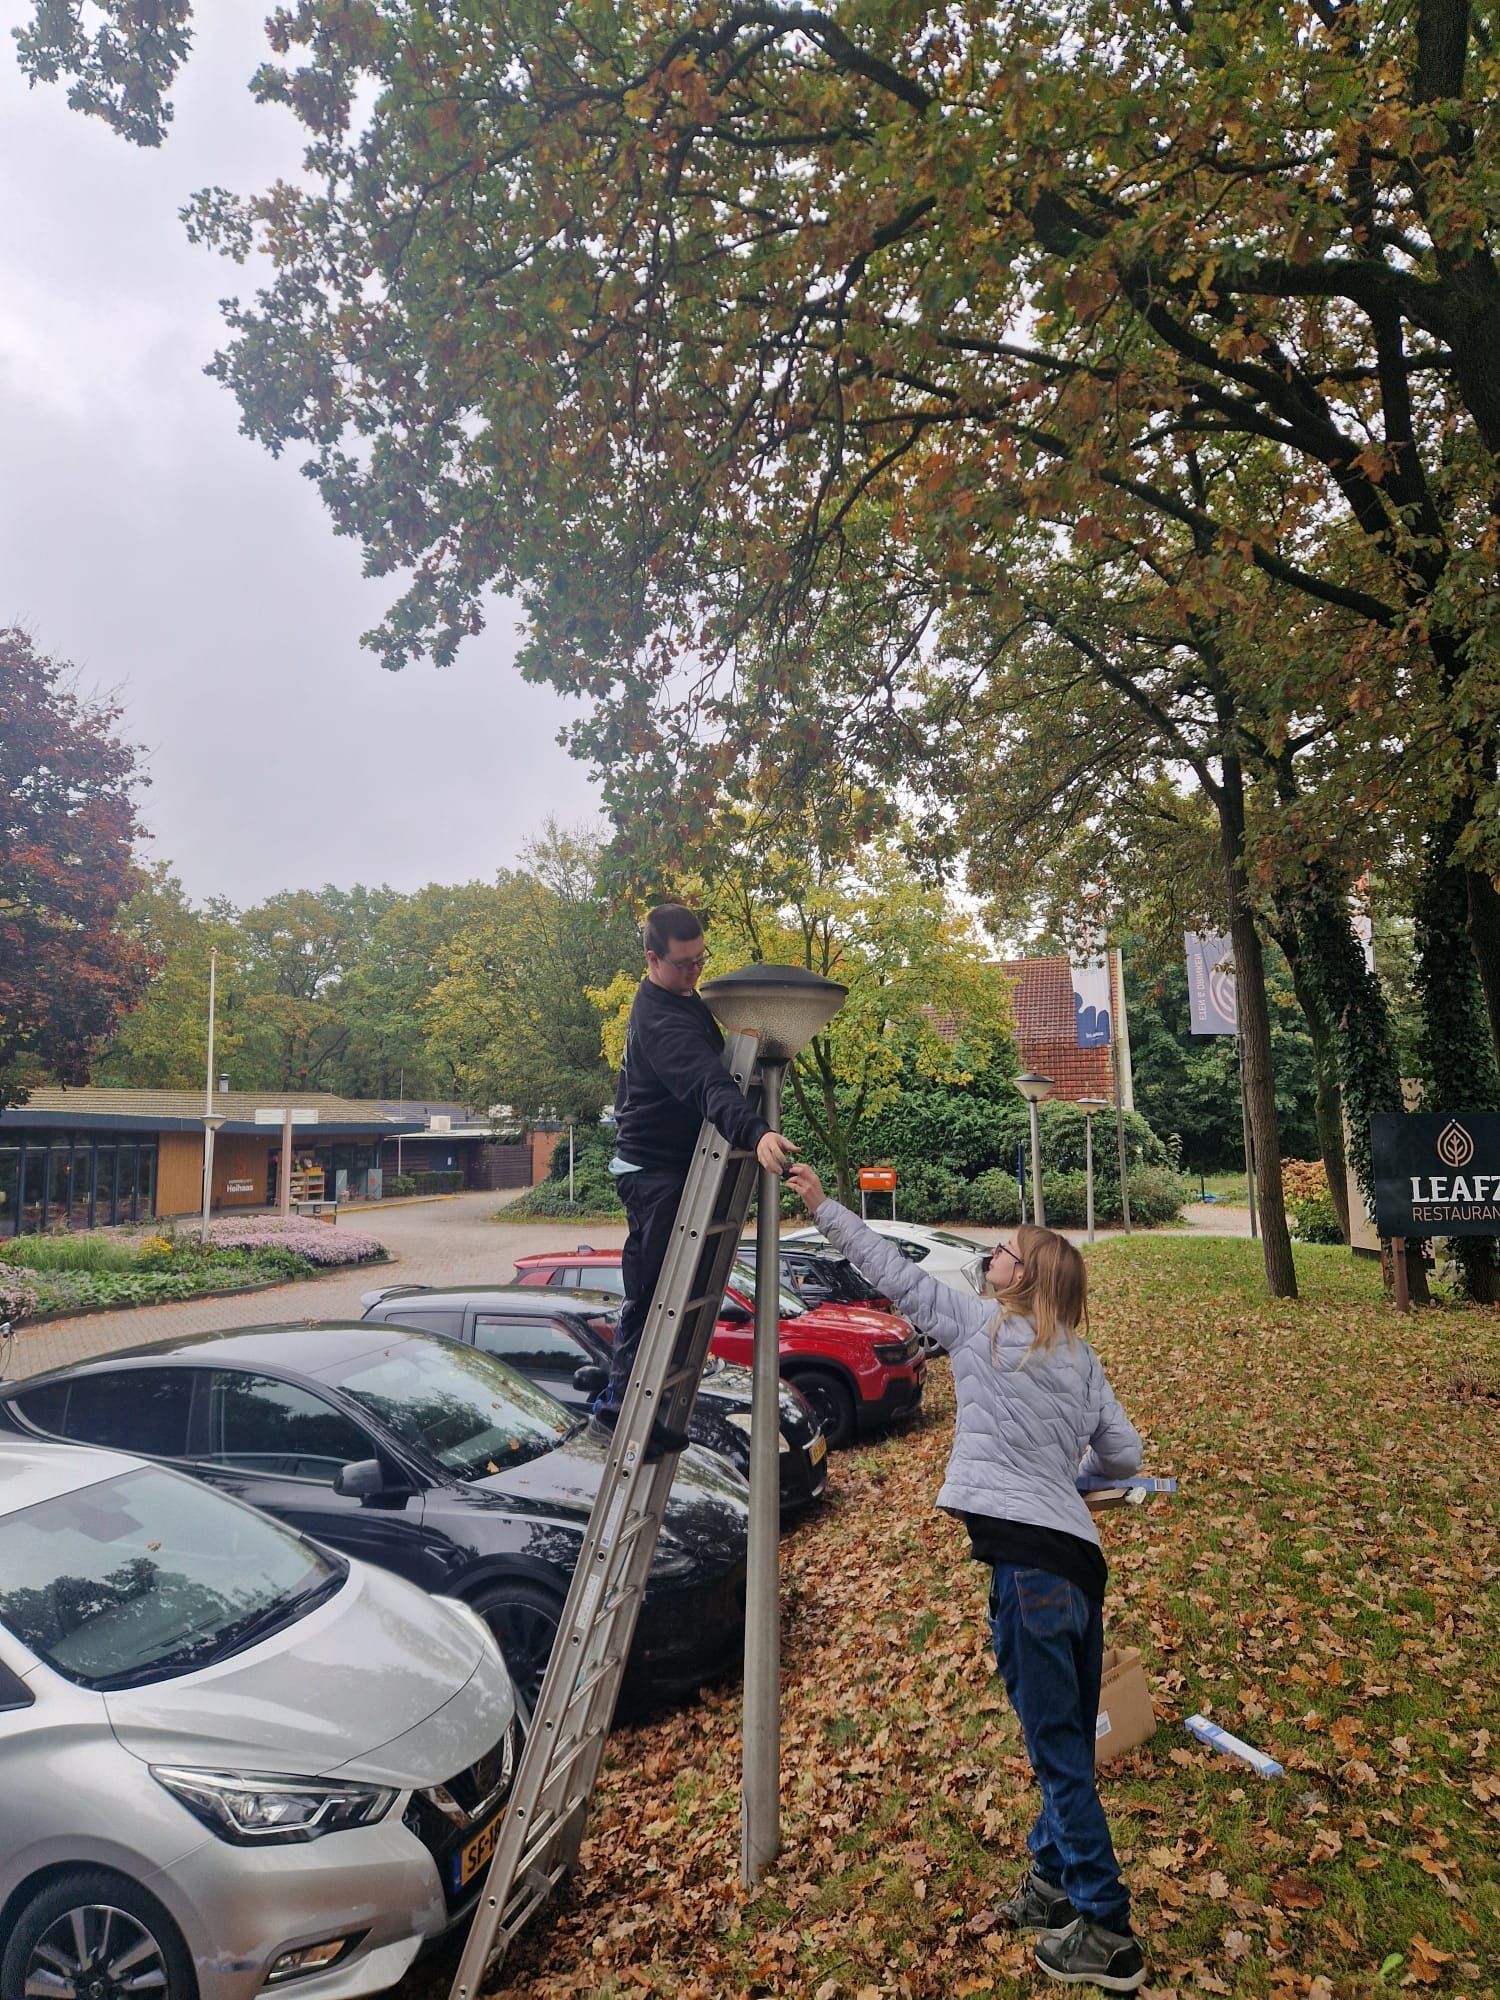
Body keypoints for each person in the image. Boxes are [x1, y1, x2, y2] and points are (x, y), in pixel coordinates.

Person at [785, 1165, 1146, 1993]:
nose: (991, 1258)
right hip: (1079, 1571)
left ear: (1028, 1279)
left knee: (1058, 1754)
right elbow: (1123, 1458)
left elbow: (888, 1269)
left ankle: (1108, 1930)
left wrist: (818, 1204)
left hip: (1031, 1574)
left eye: (1004, 1253)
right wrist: (1064, 1474)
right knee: (1063, 1743)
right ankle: (1055, 1883)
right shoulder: (1081, 1359)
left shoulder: (980, 1328)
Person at [597, 904, 797, 1453]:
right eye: (684, 963)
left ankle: (644, 1399)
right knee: (654, 1290)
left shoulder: (682, 999)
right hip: (652, 1171)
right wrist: (754, 1133)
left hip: (674, 1164)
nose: (695, 972)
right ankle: (620, 1405)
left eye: (700, 958)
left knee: (677, 1290)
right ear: (652, 958)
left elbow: (723, 1067)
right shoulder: (661, 1021)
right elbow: (710, 1085)